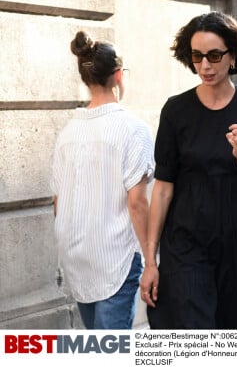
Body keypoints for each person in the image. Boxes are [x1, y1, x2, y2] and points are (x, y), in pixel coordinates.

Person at [140, 11, 237, 329]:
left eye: (214, 56)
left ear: (232, 56)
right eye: (198, 56)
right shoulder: (176, 110)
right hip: (186, 247)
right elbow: (162, 190)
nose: (205, 65)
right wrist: (150, 261)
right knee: (192, 333)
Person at [51, 31, 155, 329]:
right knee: (110, 352)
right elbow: (137, 203)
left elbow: (58, 203)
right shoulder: (134, 129)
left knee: (97, 349)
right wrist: (151, 260)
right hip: (116, 258)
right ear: (119, 75)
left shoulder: (67, 133)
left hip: (77, 256)